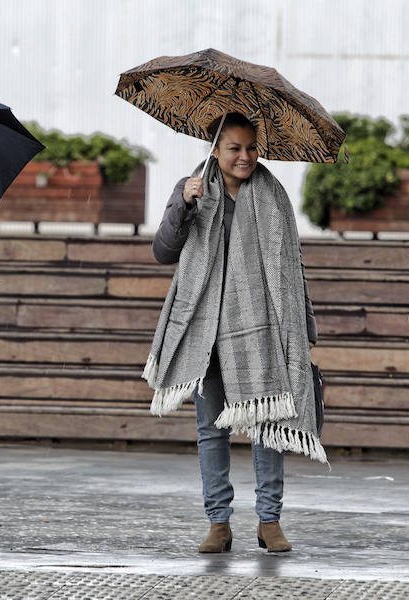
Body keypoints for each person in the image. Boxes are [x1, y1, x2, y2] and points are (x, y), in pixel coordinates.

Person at [146, 112, 323, 554]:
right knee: (211, 430)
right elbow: (163, 251)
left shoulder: (272, 195)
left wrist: (305, 326)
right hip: (205, 328)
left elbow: (291, 265)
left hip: (260, 328)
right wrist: (183, 204)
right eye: (234, 148)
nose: (245, 156)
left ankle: (270, 521)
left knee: (268, 424)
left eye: (251, 147)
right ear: (215, 150)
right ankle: (218, 523)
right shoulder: (192, 188)